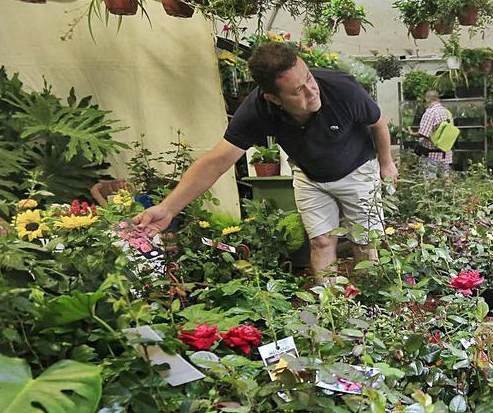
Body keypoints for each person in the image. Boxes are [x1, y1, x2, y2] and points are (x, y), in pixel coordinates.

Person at [135, 41, 399, 275]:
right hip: (311, 175)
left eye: (309, 78)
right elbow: (216, 162)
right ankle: (330, 311)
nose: (311, 91)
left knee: (364, 242)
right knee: (321, 241)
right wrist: (168, 208)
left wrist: (386, 164)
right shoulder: (256, 112)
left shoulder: (341, 88)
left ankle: (370, 305)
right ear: (273, 98)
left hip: (358, 170)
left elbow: (378, 123)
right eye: (298, 91)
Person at [408, 90, 453, 177]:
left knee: (430, 184)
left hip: (431, 155)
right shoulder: (447, 112)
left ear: (427, 100)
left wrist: (412, 133)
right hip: (446, 154)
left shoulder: (430, 113)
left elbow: (424, 134)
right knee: (446, 182)